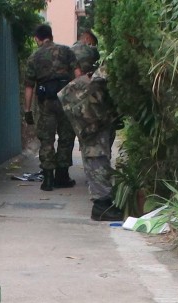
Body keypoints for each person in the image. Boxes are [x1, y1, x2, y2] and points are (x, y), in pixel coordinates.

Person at [59, 48, 123, 221]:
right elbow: (98, 81)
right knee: (96, 156)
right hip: (89, 113)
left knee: (98, 155)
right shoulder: (109, 69)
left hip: (94, 113)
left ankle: (104, 202)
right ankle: (101, 206)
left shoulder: (109, 68)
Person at [23, 24, 77, 192]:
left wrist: (27, 110)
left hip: (46, 102)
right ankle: (62, 176)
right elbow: (78, 74)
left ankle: (47, 179)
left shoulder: (34, 57)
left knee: (47, 139)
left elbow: (29, 87)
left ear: (37, 39)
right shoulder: (66, 51)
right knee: (66, 137)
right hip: (66, 100)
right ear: (51, 36)